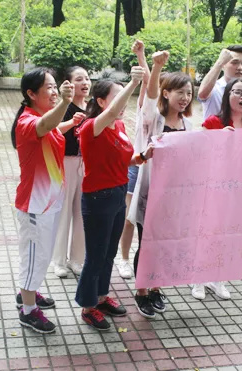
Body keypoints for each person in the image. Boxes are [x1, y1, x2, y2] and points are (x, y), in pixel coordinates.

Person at [75, 67, 154, 331]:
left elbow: (125, 159)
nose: (123, 104)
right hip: (97, 199)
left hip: (118, 194)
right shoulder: (91, 128)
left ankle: (100, 297)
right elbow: (109, 114)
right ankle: (88, 307)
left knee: (108, 253)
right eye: (117, 96)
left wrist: (143, 156)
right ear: (100, 101)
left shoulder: (119, 127)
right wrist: (133, 83)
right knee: (95, 256)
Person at [128, 50, 193, 318]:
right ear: (167, 93)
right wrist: (155, 67)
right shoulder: (153, 119)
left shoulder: (188, 124)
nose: (185, 98)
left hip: (175, 197)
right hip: (150, 192)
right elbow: (150, 95)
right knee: (147, 243)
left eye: (189, 93)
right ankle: (141, 291)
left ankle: (156, 288)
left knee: (165, 244)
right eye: (181, 92)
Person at [194, 79, 242, 301]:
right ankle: (199, 279)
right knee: (208, 231)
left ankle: (219, 278)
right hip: (212, 187)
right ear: (228, 95)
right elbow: (198, 150)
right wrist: (218, 138)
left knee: (228, 233)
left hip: (238, 191)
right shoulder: (214, 121)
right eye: (238, 92)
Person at [11, 67, 74, 334]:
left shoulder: (39, 118)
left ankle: (29, 292)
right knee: (35, 258)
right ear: (31, 93)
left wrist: (70, 123)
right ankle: (27, 312)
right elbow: (44, 127)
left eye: (54, 86)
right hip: (35, 206)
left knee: (43, 254)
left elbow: (51, 128)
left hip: (50, 202)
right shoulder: (27, 122)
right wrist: (65, 102)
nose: (53, 90)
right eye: (48, 87)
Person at [51, 66, 89, 278]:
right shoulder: (63, 106)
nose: (85, 83)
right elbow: (53, 130)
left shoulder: (92, 106)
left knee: (82, 213)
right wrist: (71, 122)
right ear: (68, 84)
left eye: (87, 78)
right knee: (63, 212)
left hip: (86, 164)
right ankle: (59, 261)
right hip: (65, 163)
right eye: (79, 79)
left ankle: (77, 259)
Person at [117, 40, 151, 279]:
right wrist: (142, 55)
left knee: (150, 221)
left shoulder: (174, 115)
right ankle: (125, 259)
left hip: (159, 173)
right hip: (138, 167)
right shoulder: (146, 107)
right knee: (130, 216)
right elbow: (148, 82)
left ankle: (147, 261)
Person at [197, 45, 242, 122]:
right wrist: (219, 63)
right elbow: (202, 94)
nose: (240, 68)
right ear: (223, 65)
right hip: (215, 133)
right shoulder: (214, 88)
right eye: (234, 63)